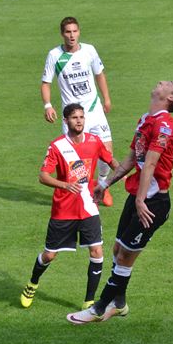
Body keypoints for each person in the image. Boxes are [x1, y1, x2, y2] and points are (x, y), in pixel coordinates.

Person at [66, 80, 173, 325]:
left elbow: (152, 164)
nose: (162, 81)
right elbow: (133, 159)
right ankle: (120, 304)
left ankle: (99, 308)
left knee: (125, 256)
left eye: (169, 83)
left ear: (172, 98)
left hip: (153, 203)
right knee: (118, 250)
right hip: (139, 197)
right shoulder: (146, 118)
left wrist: (142, 200)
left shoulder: (165, 125)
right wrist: (104, 184)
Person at [20, 103, 119, 310]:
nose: (79, 121)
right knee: (49, 255)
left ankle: (89, 302)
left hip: (88, 207)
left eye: (81, 117)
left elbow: (113, 163)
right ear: (66, 121)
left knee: (96, 252)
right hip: (63, 210)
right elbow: (43, 176)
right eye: (74, 118)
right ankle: (32, 283)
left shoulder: (94, 142)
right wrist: (64, 184)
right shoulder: (57, 146)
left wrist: (113, 179)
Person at [41, 16, 114, 206]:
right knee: (77, 160)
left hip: (94, 109)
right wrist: (47, 105)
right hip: (73, 115)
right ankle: (82, 194)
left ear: (79, 32)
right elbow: (46, 83)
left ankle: (101, 186)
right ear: (62, 34)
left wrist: (106, 99)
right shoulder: (55, 55)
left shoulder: (89, 50)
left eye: (74, 31)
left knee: (107, 153)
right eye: (68, 32)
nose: (71, 35)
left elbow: (100, 74)